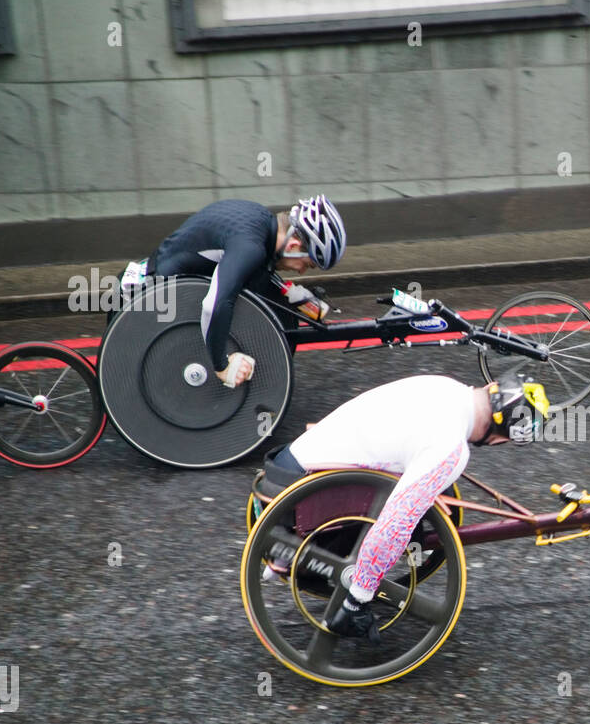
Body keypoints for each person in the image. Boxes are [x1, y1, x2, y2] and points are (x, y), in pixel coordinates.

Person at [264, 370, 550, 640]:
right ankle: (302, 563)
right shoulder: (451, 448)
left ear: (491, 388)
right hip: (303, 499)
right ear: (500, 438)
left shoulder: (446, 385)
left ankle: (288, 555)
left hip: (283, 471)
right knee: (403, 518)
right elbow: (395, 522)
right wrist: (358, 600)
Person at [129, 195, 346, 387]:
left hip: (179, 272)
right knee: (268, 316)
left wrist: (295, 297)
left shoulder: (260, 221)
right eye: (307, 265)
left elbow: (259, 273)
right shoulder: (250, 246)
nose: (300, 272)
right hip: (161, 292)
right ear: (292, 247)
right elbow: (213, 305)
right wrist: (222, 365)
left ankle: (264, 389)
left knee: (282, 313)